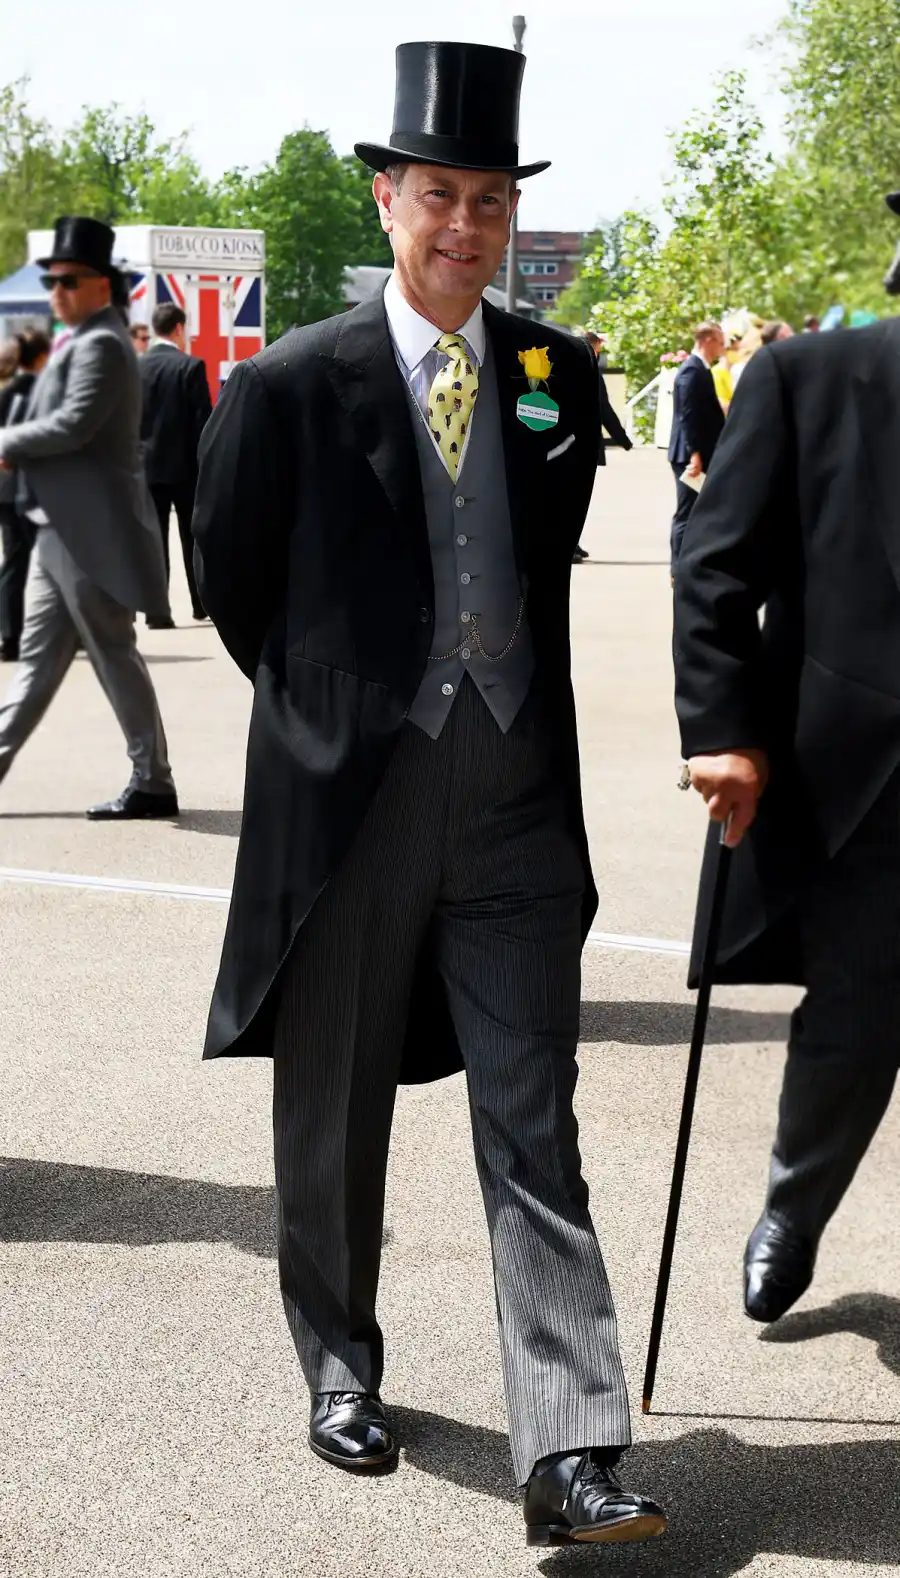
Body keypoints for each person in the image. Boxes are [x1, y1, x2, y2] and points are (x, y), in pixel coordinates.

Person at [193, 39, 666, 1550]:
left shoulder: (551, 372)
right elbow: (236, 587)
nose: (465, 222)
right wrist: (352, 710)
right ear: (390, 200)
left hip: (521, 802)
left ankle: (574, 1446)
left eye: (489, 198)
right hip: (354, 803)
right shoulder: (285, 387)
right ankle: (339, 1362)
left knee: (537, 1118)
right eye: (437, 193)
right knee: (331, 1109)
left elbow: (542, 547)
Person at [673, 200, 900, 1327]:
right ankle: (793, 1211)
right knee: (856, 1020)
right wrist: (722, 731)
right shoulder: (807, 380)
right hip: (866, 785)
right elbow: (716, 571)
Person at [0, 216, 177, 819]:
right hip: (61, 528)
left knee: (111, 653)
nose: (57, 292)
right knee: (37, 664)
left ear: (104, 284)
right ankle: (151, 778)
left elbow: (73, 426)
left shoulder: (101, 344)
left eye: (70, 281)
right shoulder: (81, 339)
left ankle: (153, 780)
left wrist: (6, 441)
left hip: (89, 534)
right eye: (53, 281)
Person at [139, 303, 211, 622]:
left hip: (146, 468)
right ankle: (200, 604)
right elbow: (202, 424)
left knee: (153, 541)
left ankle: (157, 612)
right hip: (185, 469)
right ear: (179, 328)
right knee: (192, 538)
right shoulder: (190, 367)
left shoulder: (135, 368)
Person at [0, 329, 52, 661]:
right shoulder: (46, 391)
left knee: (14, 563)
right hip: (39, 490)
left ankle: (10, 636)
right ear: (44, 356)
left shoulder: (7, 392)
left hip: (6, 489)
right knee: (57, 564)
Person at [667, 320, 725, 570]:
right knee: (687, 511)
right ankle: (678, 568)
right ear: (708, 340)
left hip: (697, 454)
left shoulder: (700, 369)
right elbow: (688, 416)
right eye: (721, 343)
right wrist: (695, 455)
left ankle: (687, 563)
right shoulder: (692, 371)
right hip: (690, 457)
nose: (723, 348)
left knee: (697, 509)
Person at [576, 331, 633, 563]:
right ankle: (570, 545)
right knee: (577, 499)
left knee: (570, 498)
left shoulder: (565, 366)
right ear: (594, 346)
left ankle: (572, 544)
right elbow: (603, 409)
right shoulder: (591, 369)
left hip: (565, 442)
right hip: (583, 443)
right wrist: (623, 440)